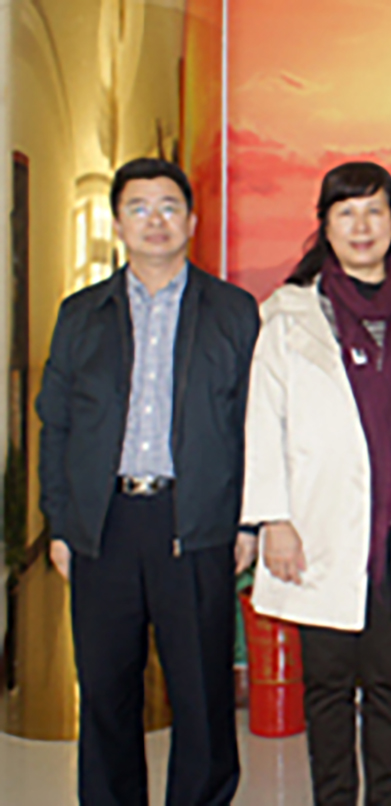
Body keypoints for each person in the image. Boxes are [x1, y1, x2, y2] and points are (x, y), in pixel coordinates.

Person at [37, 157, 259, 805]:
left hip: (197, 522)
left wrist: (248, 520)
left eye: (168, 207)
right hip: (104, 523)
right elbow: (56, 426)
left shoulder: (233, 311)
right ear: (118, 223)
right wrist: (60, 523)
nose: (154, 220)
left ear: (191, 220)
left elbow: (256, 424)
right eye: (138, 208)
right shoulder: (81, 314)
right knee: (106, 692)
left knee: (202, 694)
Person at [241, 162, 391, 806]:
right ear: (325, 225)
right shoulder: (289, 314)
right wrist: (273, 519)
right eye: (346, 212)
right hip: (317, 528)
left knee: (389, 686)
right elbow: (263, 422)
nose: (361, 226)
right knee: (327, 688)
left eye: (374, 211)